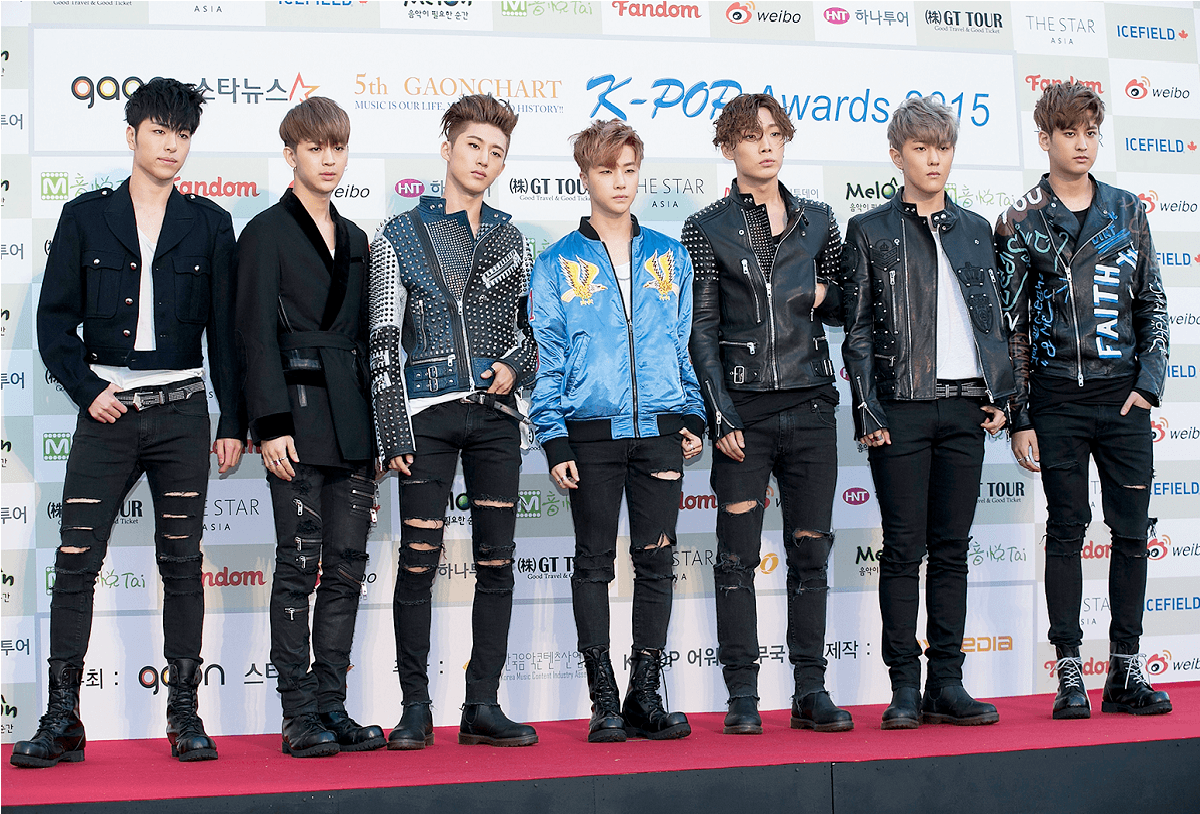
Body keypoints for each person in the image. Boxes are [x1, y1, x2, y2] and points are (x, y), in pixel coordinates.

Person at [15, 78, 243, 768]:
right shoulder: (86, 217)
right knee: (75, 562)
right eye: (159, 132)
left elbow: (226, 335)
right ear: (131, 135)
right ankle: (62, 718)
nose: (171, 146)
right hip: (107, 415)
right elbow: (53, 323)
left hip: (182, 414)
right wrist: (87, 390)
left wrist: (233, 420)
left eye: (183, 135)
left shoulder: (210, 224)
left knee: (182, 563)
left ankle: (185, 715)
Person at [996, 82, 1171, 720]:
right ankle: (1069, 673)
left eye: (1091, 133)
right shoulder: (1019, 220)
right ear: (1045, 138)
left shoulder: (1127, 210)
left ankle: (1125, 670)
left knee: (1131, 533)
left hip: (1124, 401)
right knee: (1067, 531)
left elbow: (1153, 302)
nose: (1082, 145)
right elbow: (1011, 327)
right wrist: (1020, 415)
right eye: (1069, 133)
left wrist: (1148, 383)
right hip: (1056, 404)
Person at [369, 94, 538, 749]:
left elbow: (533, 333)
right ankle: (415, 708)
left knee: (497, 563)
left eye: (497, 152)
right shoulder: (397, 234)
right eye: (474, 146)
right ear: (447, 149)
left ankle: (482, 706)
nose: (484, 160)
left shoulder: (511, 237)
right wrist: (392, 428)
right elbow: (382, 338)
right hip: (425, 416)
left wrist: (514, 365)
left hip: (496, 419)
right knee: (417, 561)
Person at [529, 119, 706, 743]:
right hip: (589, 434)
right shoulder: (555, 263)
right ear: (585, 176)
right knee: (593, 563)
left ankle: (644, 695)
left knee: (657, 562)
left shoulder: (670, 255)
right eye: (607, 171)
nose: (620, 182)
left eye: (629, 170)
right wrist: (554, 438)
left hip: (660, 432)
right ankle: (603, 698)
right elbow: (548, 359)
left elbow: (681, 345)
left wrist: (692, 415)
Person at [841, 95, 1013, 729]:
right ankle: (904, 688)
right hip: (902, 409)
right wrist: (868, 408)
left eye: (943, 148)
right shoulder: (869, 230)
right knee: (902, 550)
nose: (934, 159)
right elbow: (857, 330)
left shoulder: (977, 229)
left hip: (967, 408)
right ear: (898, 156)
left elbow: (997, 320)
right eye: (921, 148)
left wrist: (1002, 393)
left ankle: (947, 682)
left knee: (952, 550)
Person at [682, 93, 851, 735]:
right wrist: (720, 415)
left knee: (811, 552)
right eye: (753, 135)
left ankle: (811, 690)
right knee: (735, 558)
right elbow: (700, 330)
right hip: (743, 415)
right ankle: (743, 695)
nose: (767, 145)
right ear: (728, 146)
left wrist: (822, 290)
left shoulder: (819, 219)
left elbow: (846, 305)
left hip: (811, 405)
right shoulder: (706, 227)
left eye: (776, 133)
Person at [235, 97, 385, 757]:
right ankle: (297, 714)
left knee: (347, 568)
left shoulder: (356, 239)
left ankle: (332, 705)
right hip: (293, 418)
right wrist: (267, 425)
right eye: (315, 147)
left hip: (351, 421)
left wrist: (381, 433)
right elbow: (251, 335)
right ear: (290, 153)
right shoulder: (264, 232)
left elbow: (369, 340)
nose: (328, 159)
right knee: (299, 566)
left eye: (338, 147)